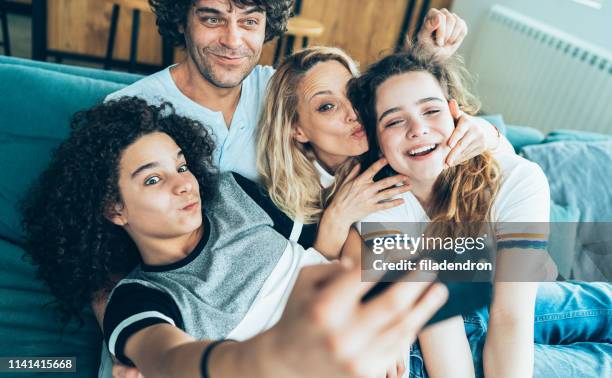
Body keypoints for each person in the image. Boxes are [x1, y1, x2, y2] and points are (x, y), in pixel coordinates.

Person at [21, 97, 449, 378]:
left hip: (393, 324)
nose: (184, 185)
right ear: (115, 210)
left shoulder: (230, 194)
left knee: (498, 257)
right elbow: (168, 358)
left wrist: (371, 294)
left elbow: (346, 230)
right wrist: (266, 359)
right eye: (153, 180)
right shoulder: (140, 297)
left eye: (181, 166)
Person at [345, 50, 611, 378]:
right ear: (376, 140)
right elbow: (438, 321)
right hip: (440, 337)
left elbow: (511, 315)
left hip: (502, 303)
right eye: (394, 120)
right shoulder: (381, 206)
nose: (417, 128)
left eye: (431, 110)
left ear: (456, 114)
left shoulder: (517, 179)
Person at [107, 0, 469, 182]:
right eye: (212, 18)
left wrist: (424, 56)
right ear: (181, 19)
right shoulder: (130, 109)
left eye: (249, 22)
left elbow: (389, 108)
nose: (233, 41)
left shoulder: (282, 89)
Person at [256, 46, 511, 265]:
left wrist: (491, 135)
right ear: (296, 129)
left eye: (352, 94)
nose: (353, 113)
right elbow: (312, 294)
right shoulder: (283, 204)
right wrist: (337, 219)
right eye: (327, 106)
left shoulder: (401, 140)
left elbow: (504, 164)